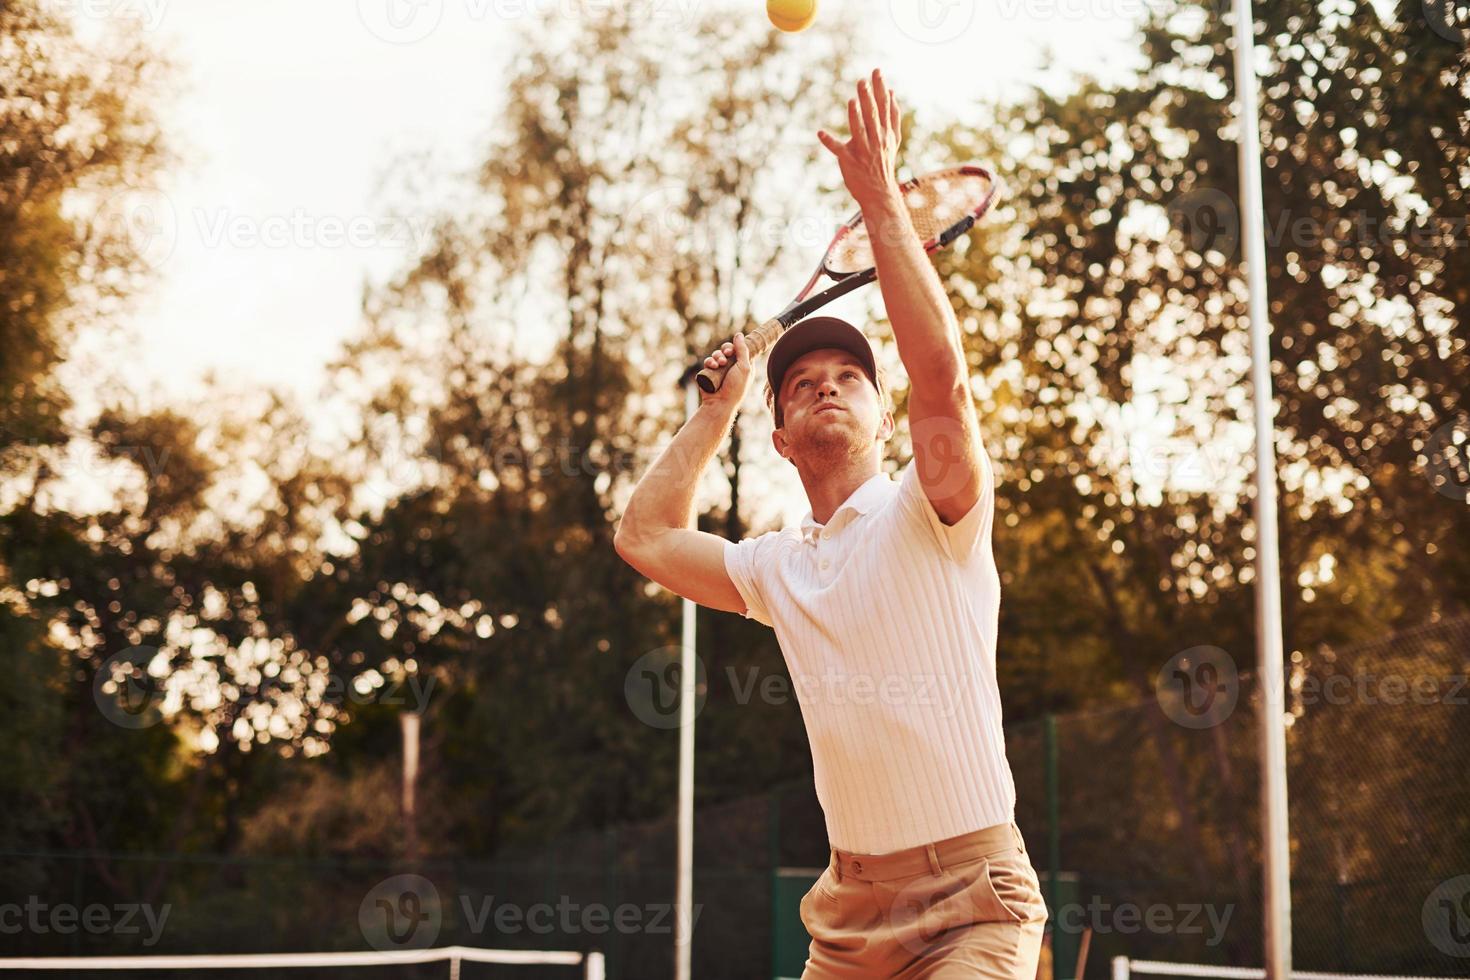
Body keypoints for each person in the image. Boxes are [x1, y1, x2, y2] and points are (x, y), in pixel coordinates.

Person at [614, 68, 1046, 978]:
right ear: (778, 437)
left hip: (974, 897)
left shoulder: (931, 509)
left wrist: (883, 203)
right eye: (802, 382)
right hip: (849, 910)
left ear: (885, 419)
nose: (825, 384)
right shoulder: (778, 568)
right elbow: (644, 537)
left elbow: (943, 381)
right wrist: (714, 408)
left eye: (850, 377)